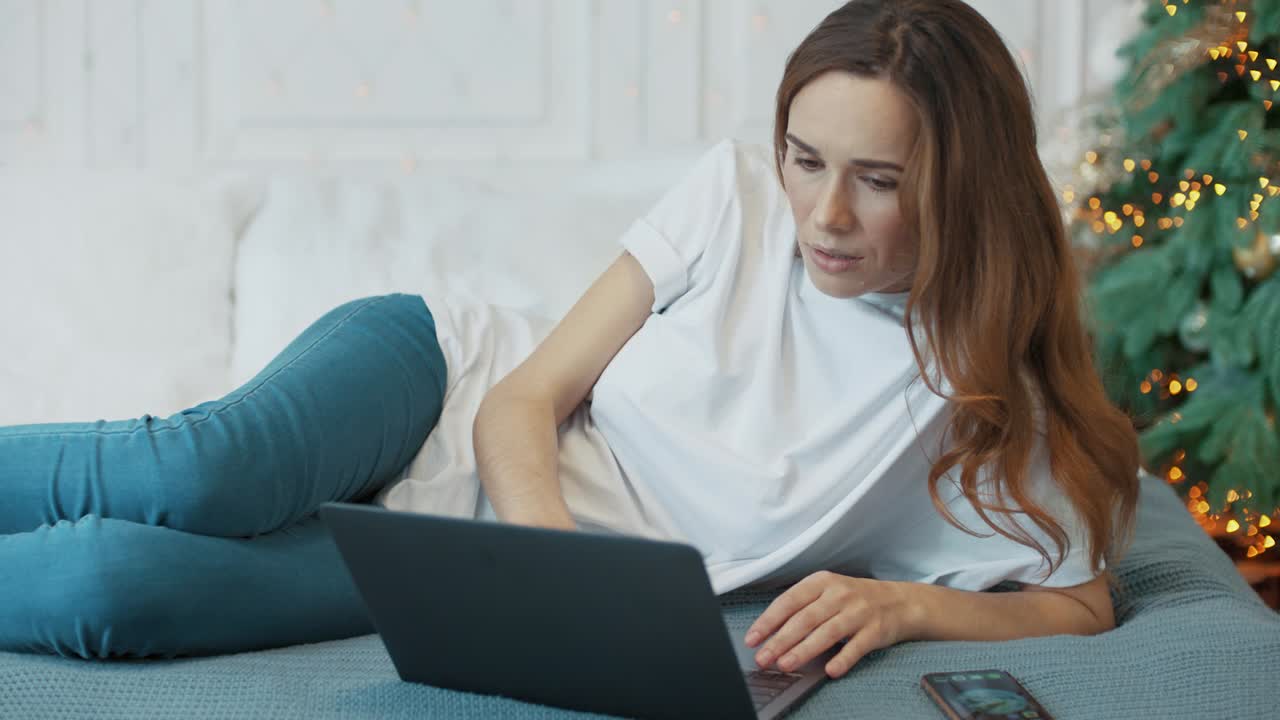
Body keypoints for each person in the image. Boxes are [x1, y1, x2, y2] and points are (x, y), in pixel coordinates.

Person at [0, 0, 1140, 679]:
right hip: (436, 387)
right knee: (197, 472)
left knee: (110, 590)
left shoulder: (979, 399)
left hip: (461, 562)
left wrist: (906, 604)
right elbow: (524, 397)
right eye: (805, 158)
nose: (823, 215)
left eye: (877, 180)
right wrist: (562, 584)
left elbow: (1078, 600)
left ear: (967, 184)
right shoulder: (732, 199)